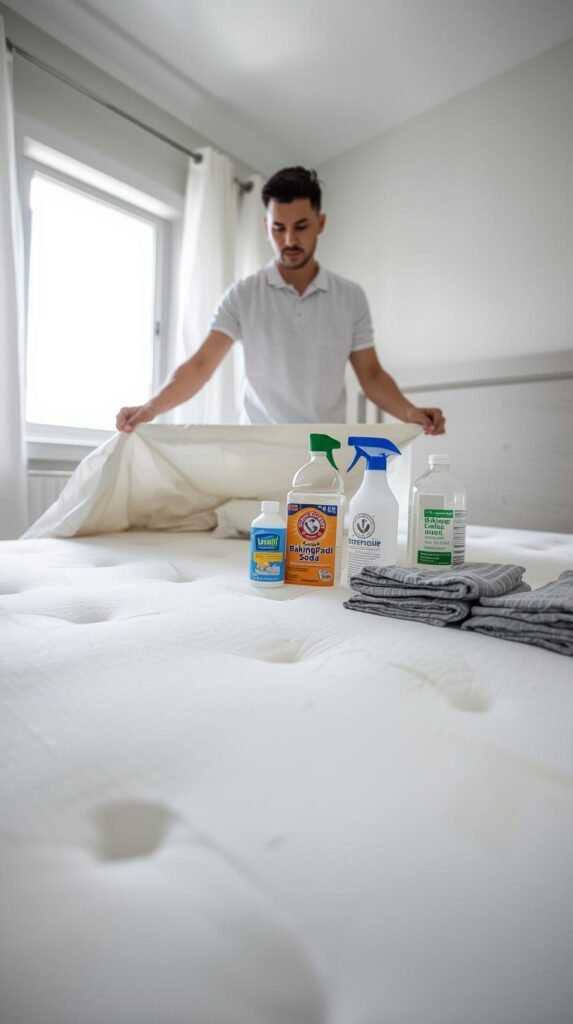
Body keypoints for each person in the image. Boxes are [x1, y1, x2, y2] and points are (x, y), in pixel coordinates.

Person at [116, 167, 445, 435]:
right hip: (259, 447)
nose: (289, 240)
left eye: (301, 227)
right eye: (278, 228)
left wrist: (410, 411)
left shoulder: (350, 297)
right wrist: (150, 409)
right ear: (265, 227)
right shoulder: (243, 294)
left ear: (321, 223)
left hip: (326, 449)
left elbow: (371, 375)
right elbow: (201, 365)